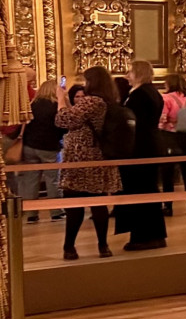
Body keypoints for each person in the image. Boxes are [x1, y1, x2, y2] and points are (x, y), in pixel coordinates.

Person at [55, 66, 122, 260]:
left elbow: (63, 120)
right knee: (98, 204)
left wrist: (60, 98)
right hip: (98, 158)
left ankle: (70, 247)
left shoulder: (93, 101)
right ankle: (102, 245)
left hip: (83, 159)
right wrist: (68, 102)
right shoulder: (108, 101)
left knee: (75, 205)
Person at [116, 60, 167, 251]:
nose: (127, 76)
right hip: (152, 145)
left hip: (140, 148)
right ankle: (154, 234)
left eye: (130, 72)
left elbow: (132, 124)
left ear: (138, 73)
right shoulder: (153, 92)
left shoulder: (138, 95)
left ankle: (143, 235)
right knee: (149, 190)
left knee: (139, 192)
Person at [16, 79, 65, 221]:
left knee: (30, 181)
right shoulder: (56, 106)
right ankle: (56, 212)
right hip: (49, 147)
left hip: (29, 146)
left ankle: (31, 214)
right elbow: (62, 127)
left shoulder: (32, 105)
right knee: (53, 179)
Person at [159, 72, 186, 215]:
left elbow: (163, 118)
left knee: (168, 174)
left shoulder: (166, 98)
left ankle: (168, 206)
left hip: (171, 137)